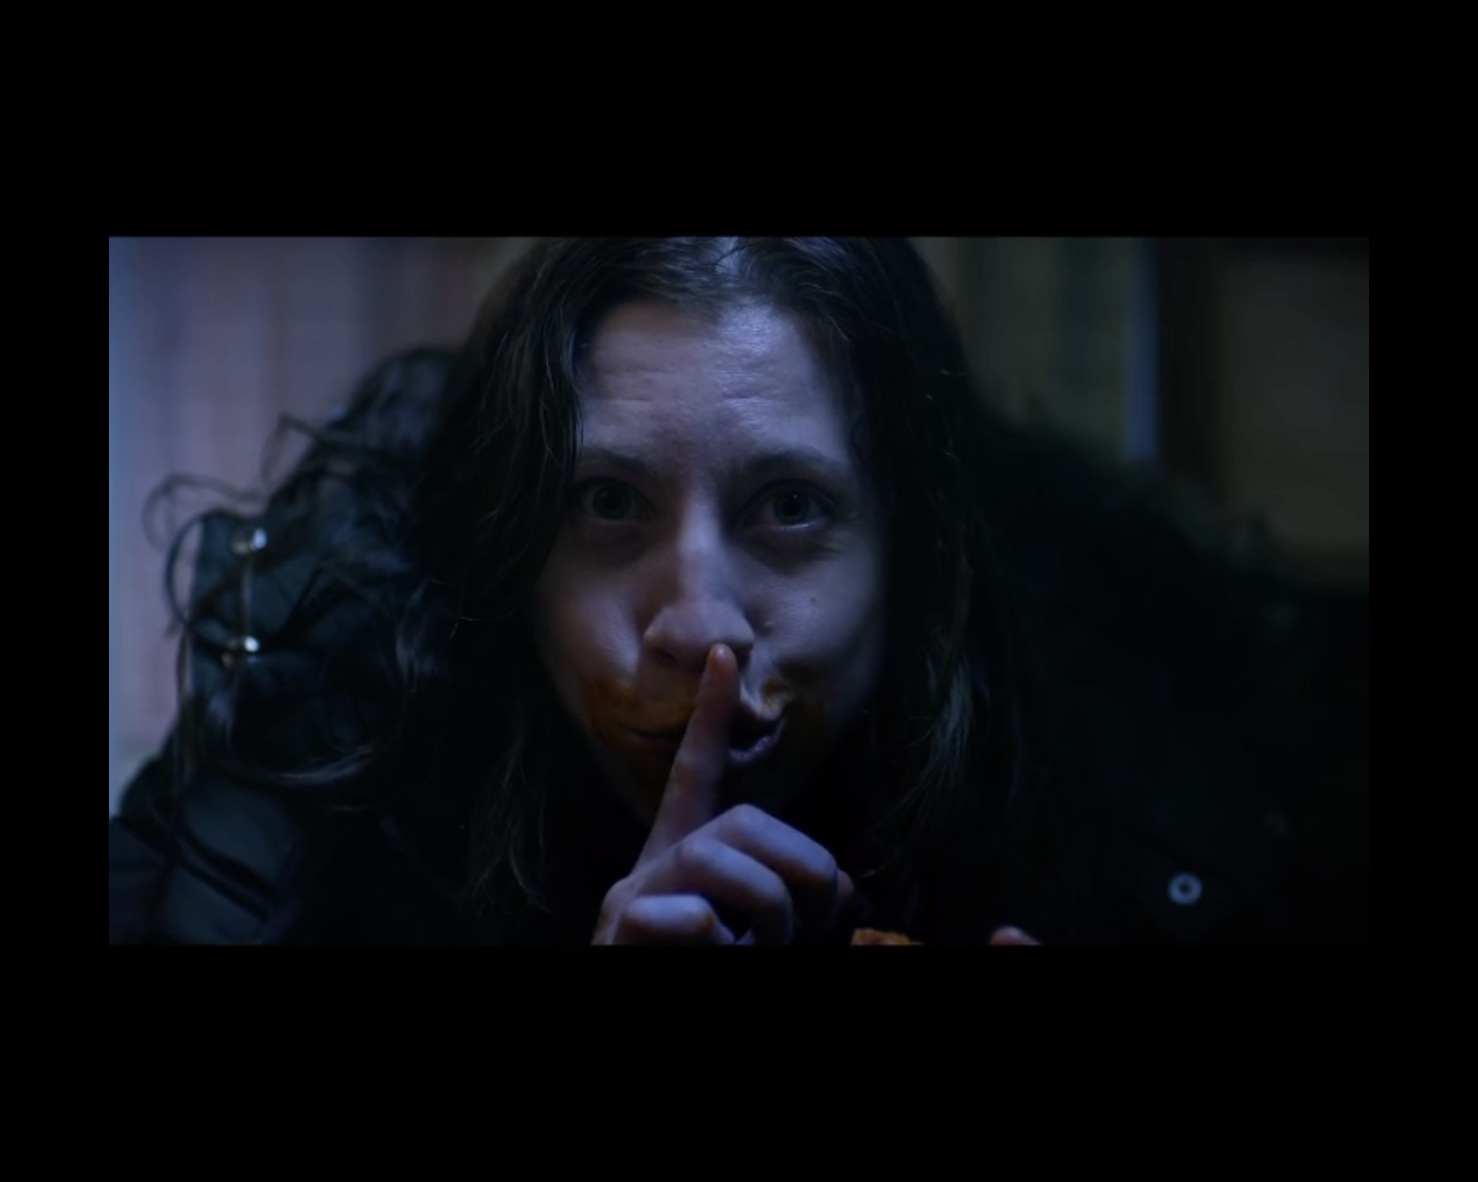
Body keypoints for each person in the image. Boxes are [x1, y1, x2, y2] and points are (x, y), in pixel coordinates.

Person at [108, 237, 1369, 945]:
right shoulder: (345, 741)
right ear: (511, 548)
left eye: (789, 508)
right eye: (607, 504)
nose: (699, 623)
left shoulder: (1136, 793)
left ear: (907, 549)